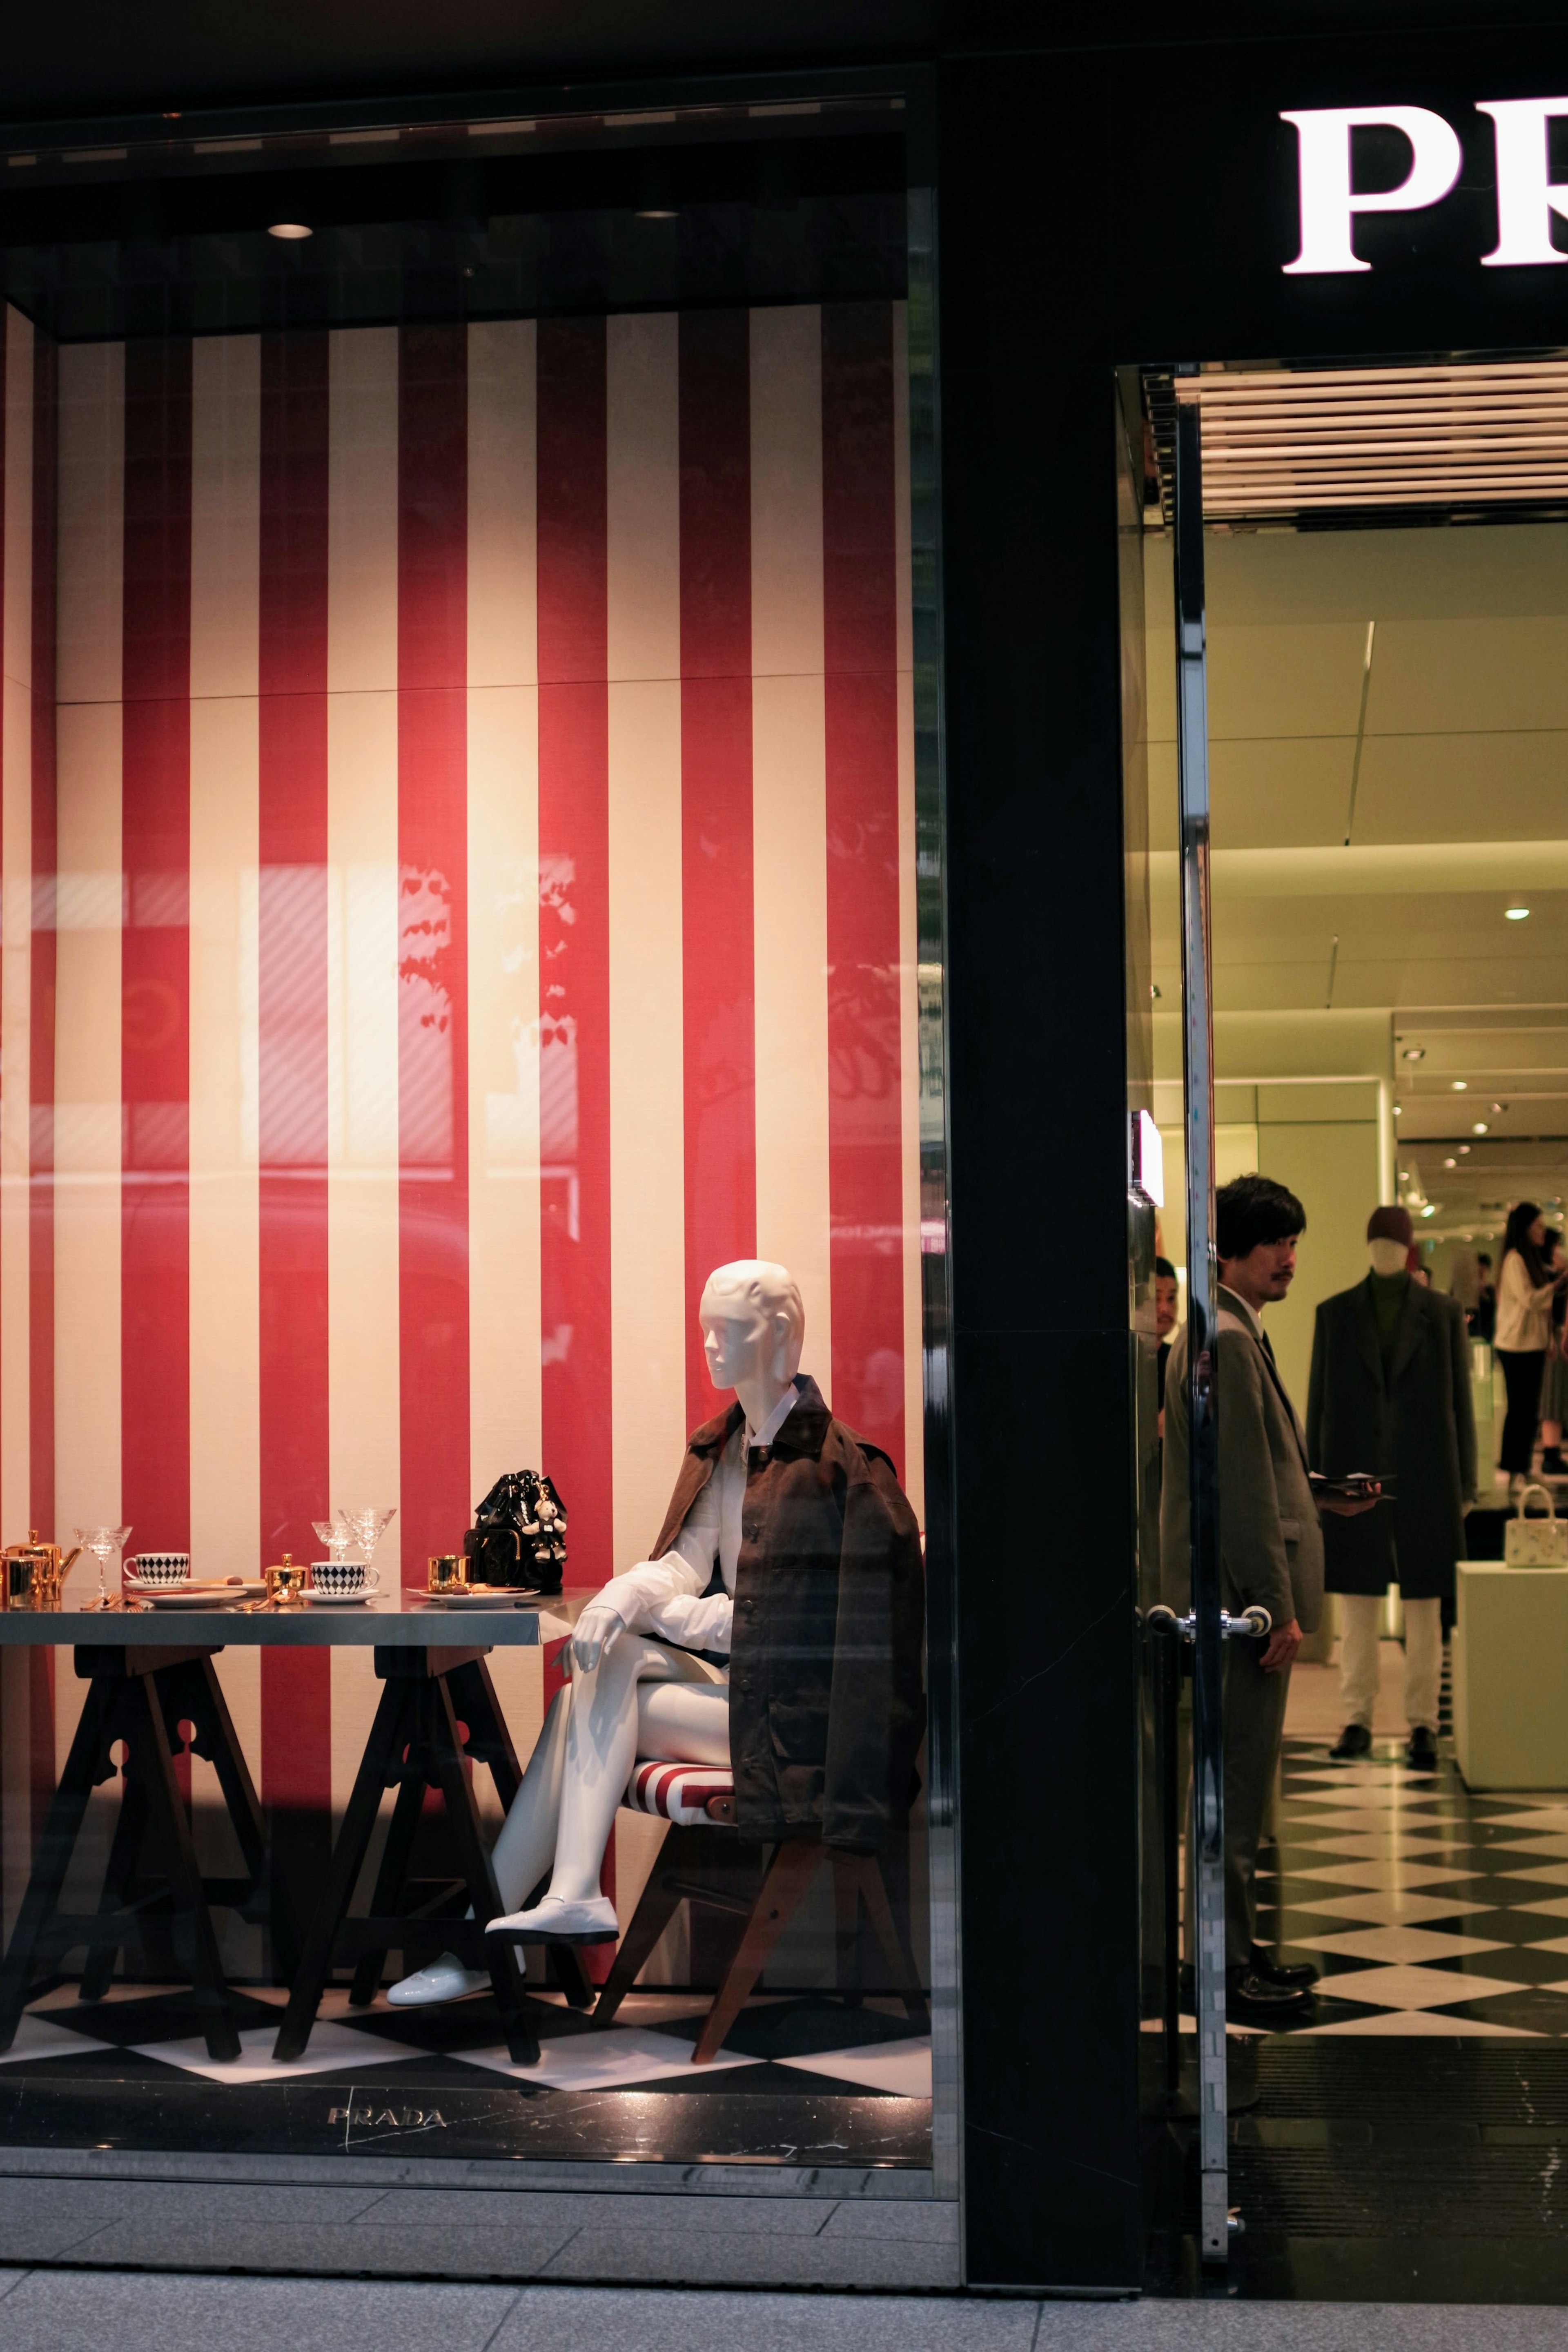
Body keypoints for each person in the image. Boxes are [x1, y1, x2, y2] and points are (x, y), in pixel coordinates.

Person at [387, 1258, 925, 2006]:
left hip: (802, 1729)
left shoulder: (839, 1472)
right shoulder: (723, 1446)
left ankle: (509, 1924)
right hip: (743, 1703)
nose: (709, 1345)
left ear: (778, 1335)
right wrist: (619, 1599)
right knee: (600, 1673)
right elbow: (681, 1563)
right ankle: (515, 1920)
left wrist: (655, 1612)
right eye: (705, 1328)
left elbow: (768, 1625)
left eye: (726, 1330)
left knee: (596, 1685)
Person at [1162, 1173, 1366, 2022]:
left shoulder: (1229, 1329)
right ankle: (1227, 1965)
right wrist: (1273, 1605)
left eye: (1292, 1240)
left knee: (1231, 1790)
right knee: (1234, 1792)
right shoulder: (1230, 1339)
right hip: (1237, 1606)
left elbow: (1253, 1472)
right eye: (1275, 1240)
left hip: (1231, 1596)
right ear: (1235, 1248)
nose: (1289, 1256)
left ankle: (1232, 1955)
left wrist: (1317, 1490)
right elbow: (1241, 1492)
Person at [1308, 1205, 1476, 1772]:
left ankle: (1424, 1723)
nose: (1384, 1250)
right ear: (1370, 1247)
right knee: (1357, 1604)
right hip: (1353, 1475)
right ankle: (1356, 1716)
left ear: (1404, 1249)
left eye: (1391, 1242)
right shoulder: (1334, 1315)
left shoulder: (1443, 1313)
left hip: (1426, 1474)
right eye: (1378, 1241)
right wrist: (1316, 1481)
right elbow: (1318, 1402)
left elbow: (1461, 1407)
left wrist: (1467, 1482)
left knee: (1426, 1606)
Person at [1494, 1203, 1568, 1493]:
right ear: (1526, 1228)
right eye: (1538, 1226)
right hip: (1516, 1347)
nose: (1542, 1231)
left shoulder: (1530, 1259)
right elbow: (1531, 1300)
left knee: (1529, 1412)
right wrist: (1558, 1283)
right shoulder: (1515, 1260)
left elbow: (1541, 1308)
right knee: (1519, 1410)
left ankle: (1522, 1468)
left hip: (1533, 1345)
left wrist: (1549, 1339)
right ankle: (1514, 1470)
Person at [1154, 1255, 1179, 1437]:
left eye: (1171, 1298)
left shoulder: (1177, 1358)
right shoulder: (1129, 1359)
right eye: (1156, 1299)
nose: (1165, 1309)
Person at [1470, 1254, 1497, 1345]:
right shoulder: (1465, 1292)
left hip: (1488, 1339)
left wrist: (1484, 1294)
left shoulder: (1492, 1292)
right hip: (1470, 1339)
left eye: (1482, 1273)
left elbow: (1494, 1313)